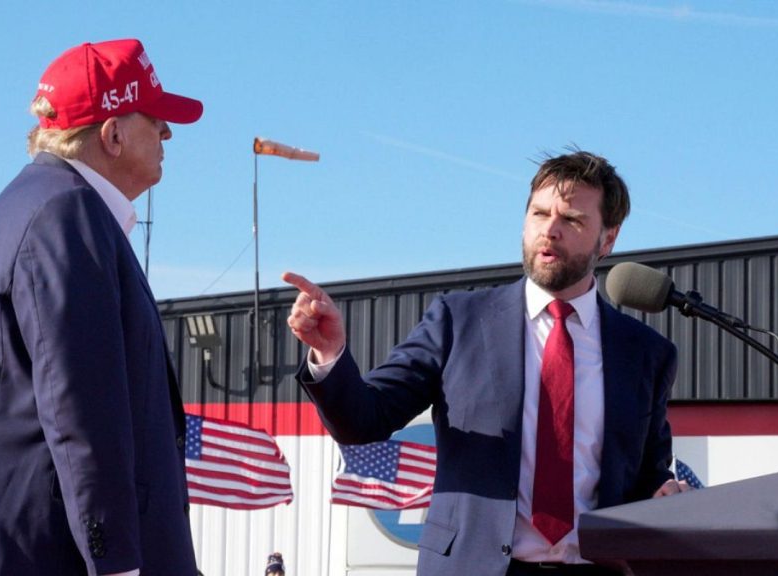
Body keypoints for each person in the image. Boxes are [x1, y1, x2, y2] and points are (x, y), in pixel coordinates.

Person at [283, 150, 692, 576]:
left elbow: (646, 476)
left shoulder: (646, 353)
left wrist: (663, 495)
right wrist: (330, 354)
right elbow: (364, 420)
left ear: (608, 239)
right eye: (539, 213)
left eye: (572, 219)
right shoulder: (458, 321)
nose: (549, 230)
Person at [0, 39, 204, 576]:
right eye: (154, 118)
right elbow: (81, 408)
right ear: (113, 135)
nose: (168, 132)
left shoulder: (25, 208)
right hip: (50, 555)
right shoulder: (66, 215)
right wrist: (117, 564)